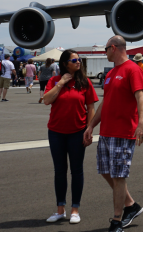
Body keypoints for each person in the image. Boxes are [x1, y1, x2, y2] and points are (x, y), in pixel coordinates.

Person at [83, 35, 143, 232]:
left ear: (113, 48)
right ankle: (131, 205)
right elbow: (106, 102)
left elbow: (141, 96)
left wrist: (142, 122)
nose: (105, 53)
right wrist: (91, 125)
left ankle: (117, 220)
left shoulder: (132, 69)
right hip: (106, 132)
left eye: (105, 50)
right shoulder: (112, 73)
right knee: (105, 171)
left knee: (119, 176)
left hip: (123, 132)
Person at [43, 50, 99, 224]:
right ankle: (60, 209)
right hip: (56, 133)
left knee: (76, 171)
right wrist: (61, 83)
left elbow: (91, 108)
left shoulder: (84, 82)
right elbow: (46, 100)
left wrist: (89, 129)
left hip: (77, 133)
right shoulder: (54, 81)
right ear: (65, 63)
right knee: (59, 171)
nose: (78, 62)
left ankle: (75, 209)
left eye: (79, 60)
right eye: (74, 60)